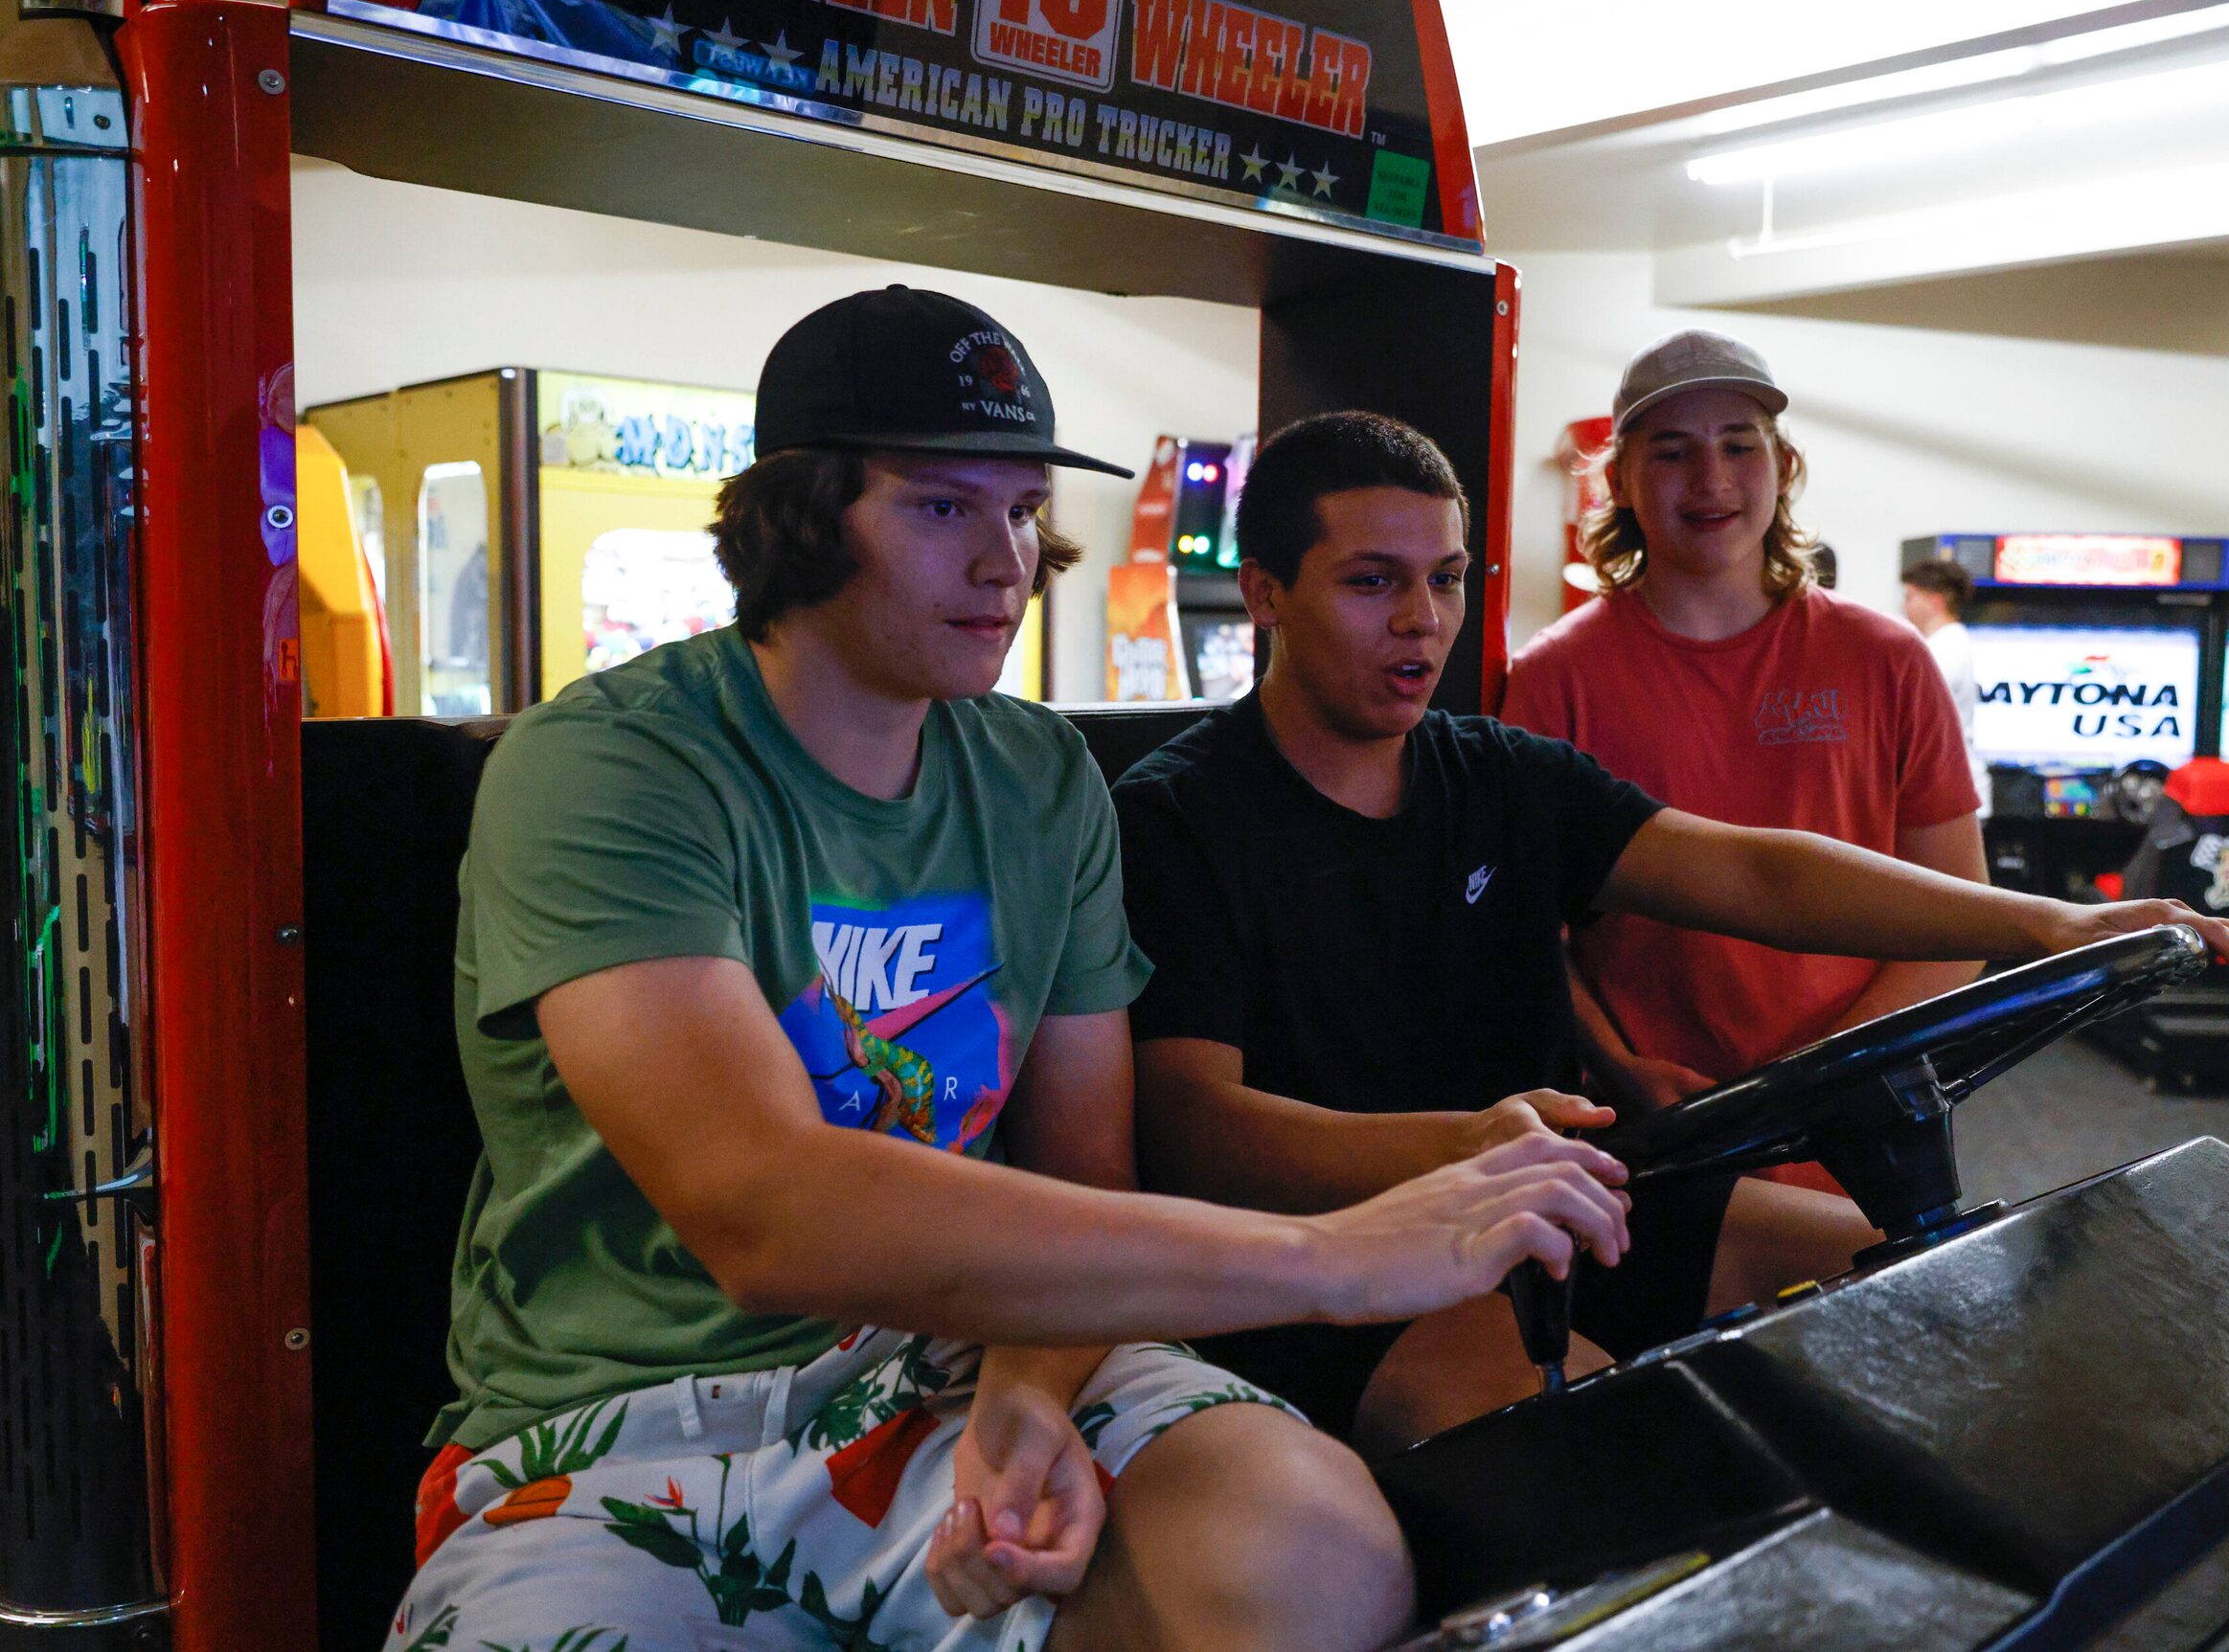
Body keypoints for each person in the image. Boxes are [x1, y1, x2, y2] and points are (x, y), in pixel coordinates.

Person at [385, 291, 1633, 1652]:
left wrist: (1035, 1383)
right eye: (941, 509)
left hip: (949, 1361)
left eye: (1025, 510)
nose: (1007, 562)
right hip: (621, 1420)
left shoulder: (1041, 777)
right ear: (800, 519)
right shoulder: (614, 762)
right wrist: (1333, 1257)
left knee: (1315, 1554)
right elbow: (764, 1209)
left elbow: (1078, 1172)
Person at [1116, 411, 2229, 1452]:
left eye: (1445, 579)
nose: (1421, 622)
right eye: (1371, 581)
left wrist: (2053, 920)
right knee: (1615, 1455)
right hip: (1342, 1259)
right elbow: (1191, 1132)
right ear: (1265, 592)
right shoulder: (1177, 818)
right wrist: (1467, 1145)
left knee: (1922, 1291)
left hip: (1561, 1202)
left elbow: (1756, 872)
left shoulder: (1498, 775)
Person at [1503, 333, 1987, 1171]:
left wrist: (1817, 1078)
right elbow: (1524, 932)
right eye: (1673, 451)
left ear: (1783, 464)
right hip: (1655, 1133)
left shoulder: (1887, 659)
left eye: (1739, 445)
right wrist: (1623, 1067)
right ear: (1618, 479)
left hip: (1862, 1120)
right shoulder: (1555, 675)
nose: (1712, 480)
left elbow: (1956, 919)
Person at [1902, 555, 1988, 810]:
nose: (1904, 606)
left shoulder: (1945, 648)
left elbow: (1914, 710)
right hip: (1953, 786)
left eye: (1910, 597)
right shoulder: (1948, 643)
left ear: (1935, 602)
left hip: (1952, 790)